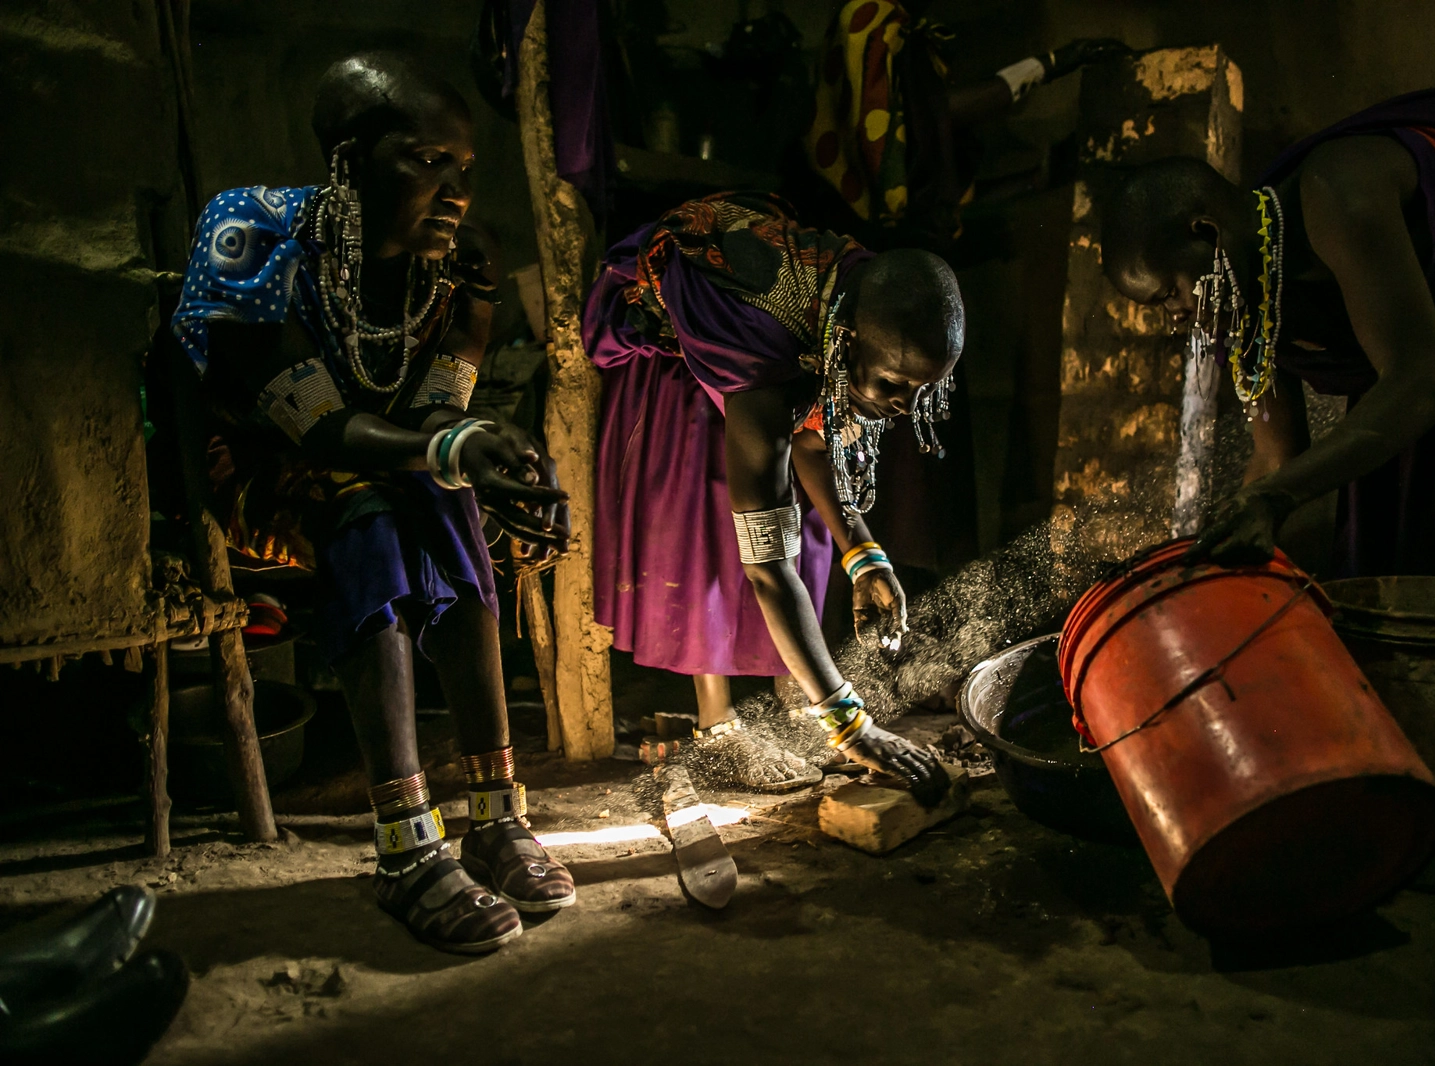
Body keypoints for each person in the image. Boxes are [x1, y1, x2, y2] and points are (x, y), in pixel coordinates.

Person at [172, 53, 574, 954]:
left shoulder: (461, 266)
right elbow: (306, 420)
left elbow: (440, 404)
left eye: (464, 171)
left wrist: (485, 452)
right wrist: (447, 446)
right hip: (267, 469)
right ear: (351, 161)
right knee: (371, 510)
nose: (456, 192)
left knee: (456, 506)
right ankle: (406, 846)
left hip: (394, 462)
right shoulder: (252, 233)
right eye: (428, 161)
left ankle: (495, 814)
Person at [1100, 87, 1435, 774]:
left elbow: (1419, 383)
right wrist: (1201, 567)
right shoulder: (1243, 305)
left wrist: (1272, 502)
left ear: (1205, 233)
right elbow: (1278, 460)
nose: (1177, 318)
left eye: (1168, 295)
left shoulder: (1340, 195)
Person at [583, 191, 960, 803]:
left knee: (804, 525)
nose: (904, 405)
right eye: (894, 384)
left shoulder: (859, 299)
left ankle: (802, 696)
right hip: (679, 367)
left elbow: (811, 438)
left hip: (766, 352)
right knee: (714, 528)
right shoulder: (758, 362)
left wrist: (866, 557)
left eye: (924, 390)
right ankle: (717, 725)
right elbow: (767, 567)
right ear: (848, 345)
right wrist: (855, 728)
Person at [800, 0, 1127, 249]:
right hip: (870, 161)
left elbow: (945, 119)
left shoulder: (919, 152)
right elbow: (944, 113)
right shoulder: (908, 141)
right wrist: (1062, 59)